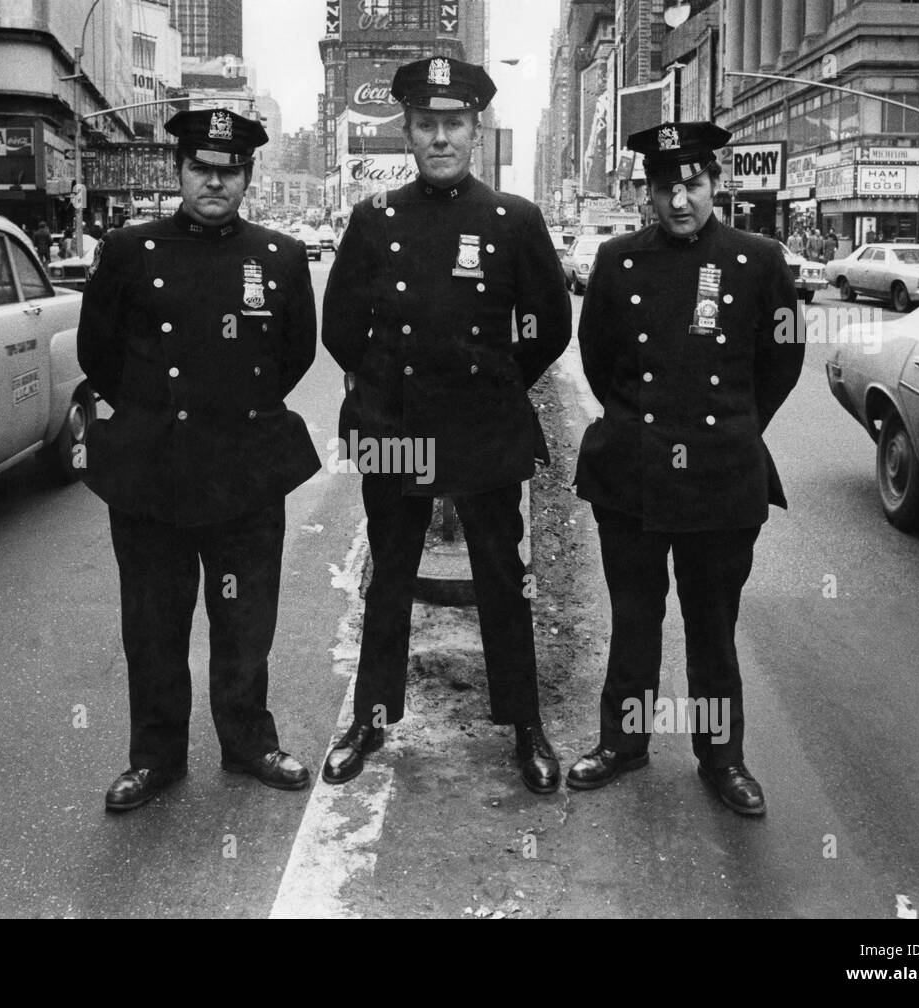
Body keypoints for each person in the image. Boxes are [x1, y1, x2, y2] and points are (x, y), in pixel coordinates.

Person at [320, 56, 571, 794]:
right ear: (408, 131)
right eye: (426, 125)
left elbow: (548, 325)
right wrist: (385, 384)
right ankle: (369, 717)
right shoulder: (375, 219)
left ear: (475, 129)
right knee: (388, 575)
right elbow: (341, 328)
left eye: (452, 124)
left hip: (484, 429)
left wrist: (498, 383)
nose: (439, 138)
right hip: (396, 425)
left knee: (503, 576)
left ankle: (525, 723)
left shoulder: (513, 220)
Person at [77, 108, 320, 811]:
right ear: (179, 171)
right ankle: (155, 758)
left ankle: (248, 744)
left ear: (247, 176)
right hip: (153, 473)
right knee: (153, 626)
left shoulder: (278, 257)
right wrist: (153, 413)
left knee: (245, 625)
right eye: (201, 169)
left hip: (244, 470)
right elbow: (99, 351)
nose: (215, 182)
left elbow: (293, 354)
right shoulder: (129, 250)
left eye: (229, 171)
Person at [569, 121, 804, 817]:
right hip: (632, 473)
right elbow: (598, 356)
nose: (679, 201)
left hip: (722, 479)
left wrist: (735, 428)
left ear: (714, 185)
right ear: (649, 189)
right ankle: (624, 742)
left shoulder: (760, 259)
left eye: (693, 185)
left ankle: (723, 757)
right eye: (666, 186)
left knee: (713, 626)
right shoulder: (616, 260)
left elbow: (782, 358)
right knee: (634, 619)